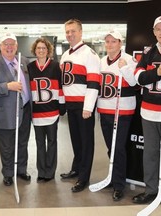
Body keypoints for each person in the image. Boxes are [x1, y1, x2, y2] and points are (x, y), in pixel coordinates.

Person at [132, 15, 161, 215]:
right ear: (153, 32)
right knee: (150, 154)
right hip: (149, 112)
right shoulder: (150, 52)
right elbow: (139, 77)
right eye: (157, 29)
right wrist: (157, 72)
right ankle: (151, 190)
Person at [0, 32, 31, 186]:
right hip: (4, 112)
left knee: (23, 142)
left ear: (16, 46)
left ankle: (21, 170)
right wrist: (7, 86)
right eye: (6, 44)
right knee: (7, 145)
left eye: (12, 44)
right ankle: (8, 173)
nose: (9, 47)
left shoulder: (24, 61)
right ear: (0, 46)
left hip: (25, 109)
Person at [59, 18, 100, 192]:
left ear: (81, 32)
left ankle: (84, 178)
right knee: (75, 140)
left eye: (73, 31)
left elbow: (94, 83)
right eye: (67, 31)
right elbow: (62, 83)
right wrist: (62, 103)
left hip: (83, 105)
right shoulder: (65, 55)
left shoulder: (89, 54)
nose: (70, 34)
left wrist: (88, 107)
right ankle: (76, 169)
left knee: (86, 142)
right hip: (70, 104)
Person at [97, 30, 137, 201]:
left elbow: (136, 83)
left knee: (118, 147)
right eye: (107, 41)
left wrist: (125, 69)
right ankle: (113, 177)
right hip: (104, 109)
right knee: (110, 148)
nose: (110, 44)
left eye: (113, 41)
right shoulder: (101, 61)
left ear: (120, 43)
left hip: (122, 111)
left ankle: (119, 185)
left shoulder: (128, 59)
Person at [27, 37, 65, 182]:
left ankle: (50, 172)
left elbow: (60, 86)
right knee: (39, 143)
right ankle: (41, 171)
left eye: (44, 48)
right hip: (37, 113)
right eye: (38, 48)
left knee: (52, 142)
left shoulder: (55, 66)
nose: (41, 50)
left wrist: (62, 105)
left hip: (52, 112)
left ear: (48, 50)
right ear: (35, 51)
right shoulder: (30, 67)